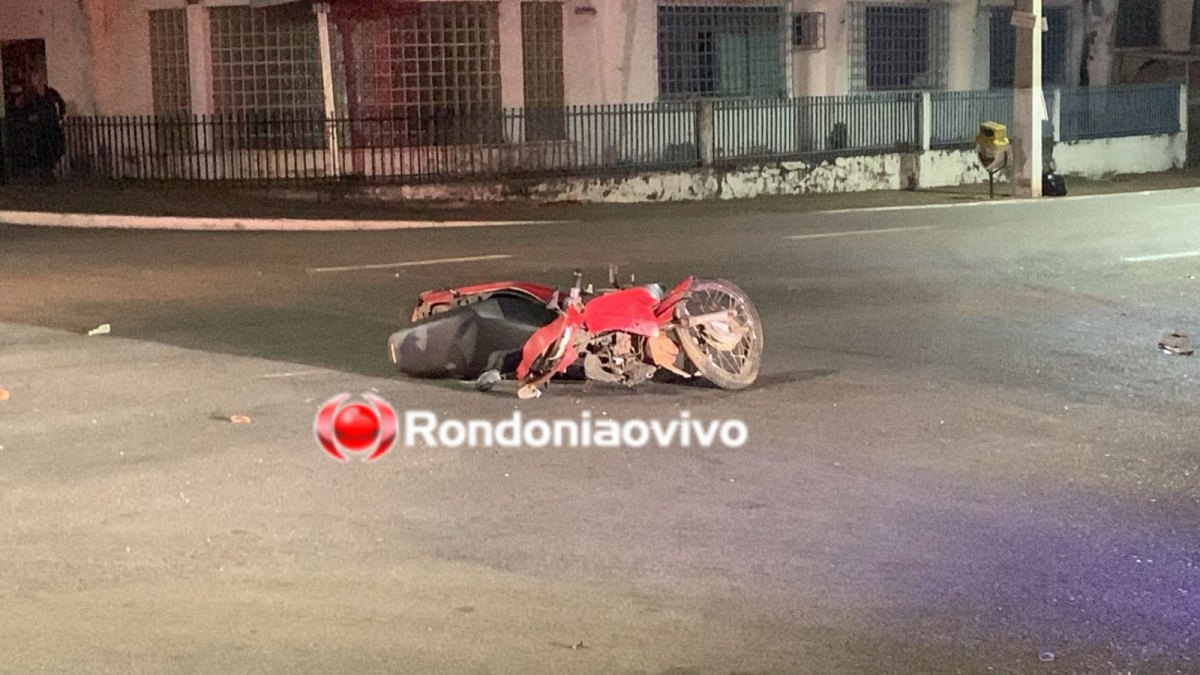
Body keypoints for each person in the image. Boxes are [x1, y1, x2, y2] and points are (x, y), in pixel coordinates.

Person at [23, 71, 66, 181]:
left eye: (37, 80)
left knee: (54, 147)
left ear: (42, 80)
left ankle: (51, 170)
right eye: (34, 80)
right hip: (39, 127)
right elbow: (27, 110)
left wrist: (60, 116)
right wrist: (31, 117)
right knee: (42, 149)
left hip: (51, 125)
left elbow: (61, 104)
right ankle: (45, 173)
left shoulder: (51, 93)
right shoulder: (31, 95)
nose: (36, 82)